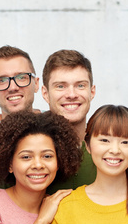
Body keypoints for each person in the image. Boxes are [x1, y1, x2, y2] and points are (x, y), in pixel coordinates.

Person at [40, 49, 97, 193]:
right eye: (60, 86)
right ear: (45, 94)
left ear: (92, 92)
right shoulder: (24, 148)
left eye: (80, 85)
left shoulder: (108, 148)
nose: (71, 95)